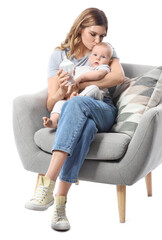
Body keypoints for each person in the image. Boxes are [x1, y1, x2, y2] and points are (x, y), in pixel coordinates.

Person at [25, 8, 124, 231]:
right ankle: (59, 205)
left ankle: (47, 184)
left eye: (102, 36)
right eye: (93, 34)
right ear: (80, 29)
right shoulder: (59, 56)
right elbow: (52, 103)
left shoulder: (105, 50)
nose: (97, 41)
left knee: (76, 103)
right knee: (85, 127)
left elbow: (118, 77)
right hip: (78, 112)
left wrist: (80, 84)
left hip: (103, 109)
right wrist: (63, 88)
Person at [43, 42, 113, 129]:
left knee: (93, 88)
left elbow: (98, 75)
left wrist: (80, 78)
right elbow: (72, 83)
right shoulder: (80, 69)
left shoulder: (103, 68)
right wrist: (66, 79)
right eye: (95, 55)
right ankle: (53, 121)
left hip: (96, 98)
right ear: (89, 57)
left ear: (109, 61)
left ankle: (77, 100)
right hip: (75, 96)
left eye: (103, 57)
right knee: (59, 103)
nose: (98, 58)